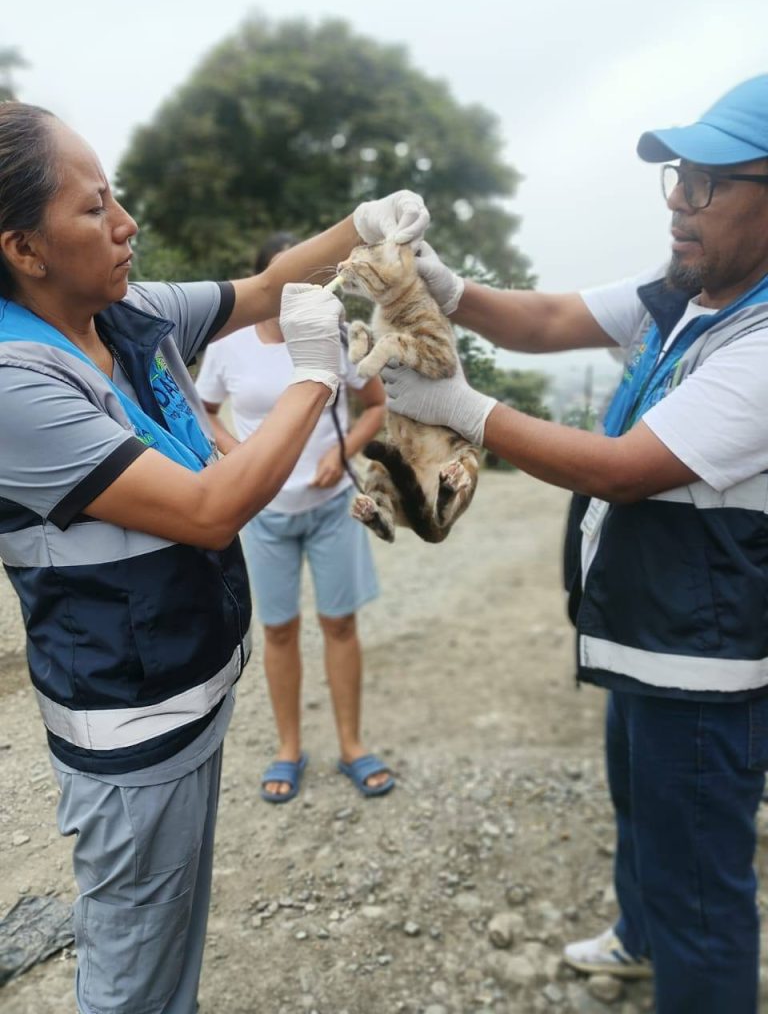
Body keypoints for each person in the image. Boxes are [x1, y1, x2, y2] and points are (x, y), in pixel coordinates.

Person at [0, 100, 427, 1014]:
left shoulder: (123, 315)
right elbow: (209, 509)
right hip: (129, 725)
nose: (126, 225)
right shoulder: (15, 382)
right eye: (93, 209)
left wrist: (361, 227)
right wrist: (316, 379)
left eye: (116, 197)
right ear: (23, 249)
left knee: (165, 957)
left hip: (187, 692)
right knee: (134, 973)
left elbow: (265, 288)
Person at [378, 74, 768, 1014]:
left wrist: (459, 409)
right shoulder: (689, 296)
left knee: (702, 895)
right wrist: (448, 288)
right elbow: (551, 319)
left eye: (710, 182)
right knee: (644, 819)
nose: (679, 199)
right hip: (647, 634)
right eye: (677, 175)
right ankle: (639, 940)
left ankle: (685, 966)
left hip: (702, 664)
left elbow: (624, 468)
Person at [196, 231, 393, 802]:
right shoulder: (229, 342)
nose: (303, 292)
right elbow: (202, 409)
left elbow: (375, 406)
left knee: (340, 623)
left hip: (332, 507)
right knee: (279, 631)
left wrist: (341, 451)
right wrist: (239, 455)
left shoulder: (336, 335)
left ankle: (352, 745)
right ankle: (288, 748)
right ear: (264, 284)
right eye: (287, 281)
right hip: (263, 512)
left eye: (313, 281)